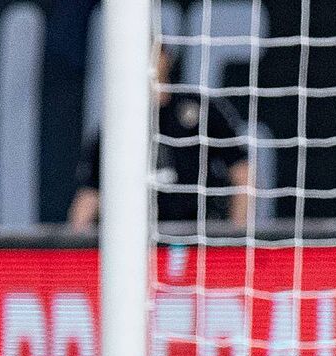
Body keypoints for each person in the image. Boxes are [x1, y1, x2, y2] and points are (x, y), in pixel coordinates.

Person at [68, 49, 250, 230]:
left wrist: (235, 238)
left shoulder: (199, 108)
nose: (148, 60)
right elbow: (91, 193)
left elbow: (242, 173)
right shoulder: (119, 125)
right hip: (138, 237)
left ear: (166, 57)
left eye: (155, 52)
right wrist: (73, 248)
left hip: (198, 233)